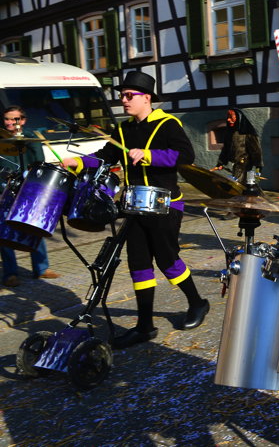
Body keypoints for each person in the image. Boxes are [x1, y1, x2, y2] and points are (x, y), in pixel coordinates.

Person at [62, 72, 209, 348]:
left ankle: (198, 303)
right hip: (133, 205)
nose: (124, 100)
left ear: (147, 98)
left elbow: (186, 156)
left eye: (130, 95)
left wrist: (149, 155)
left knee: (167, 260)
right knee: (138, 264)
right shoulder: (124, 129)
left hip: (165, 204)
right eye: (122, 95)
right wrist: (79, 163)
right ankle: (144, 326)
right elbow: (106, 156)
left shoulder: (167, 124)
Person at [0, 106, 58, 287]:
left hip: (27, 188)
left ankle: (41, 268)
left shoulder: (31, 138)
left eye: (14, 119)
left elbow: (39, 164)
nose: (10, 123)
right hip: (3, 188)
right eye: (7, 119)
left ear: (23, 121)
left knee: (33, 226)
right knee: (4, 232)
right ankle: (10, 273)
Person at [212, 108, 262, 185]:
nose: (228, 120)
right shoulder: (229, 132)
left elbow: (256, 151)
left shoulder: (247, 133)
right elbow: (226, 149)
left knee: (238, 185)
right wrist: (220, 163)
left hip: (246, 165)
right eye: (227, 117)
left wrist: (258, 169)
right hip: (235, 166)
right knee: (235, 185)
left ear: (238, 118)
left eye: (231, 117)